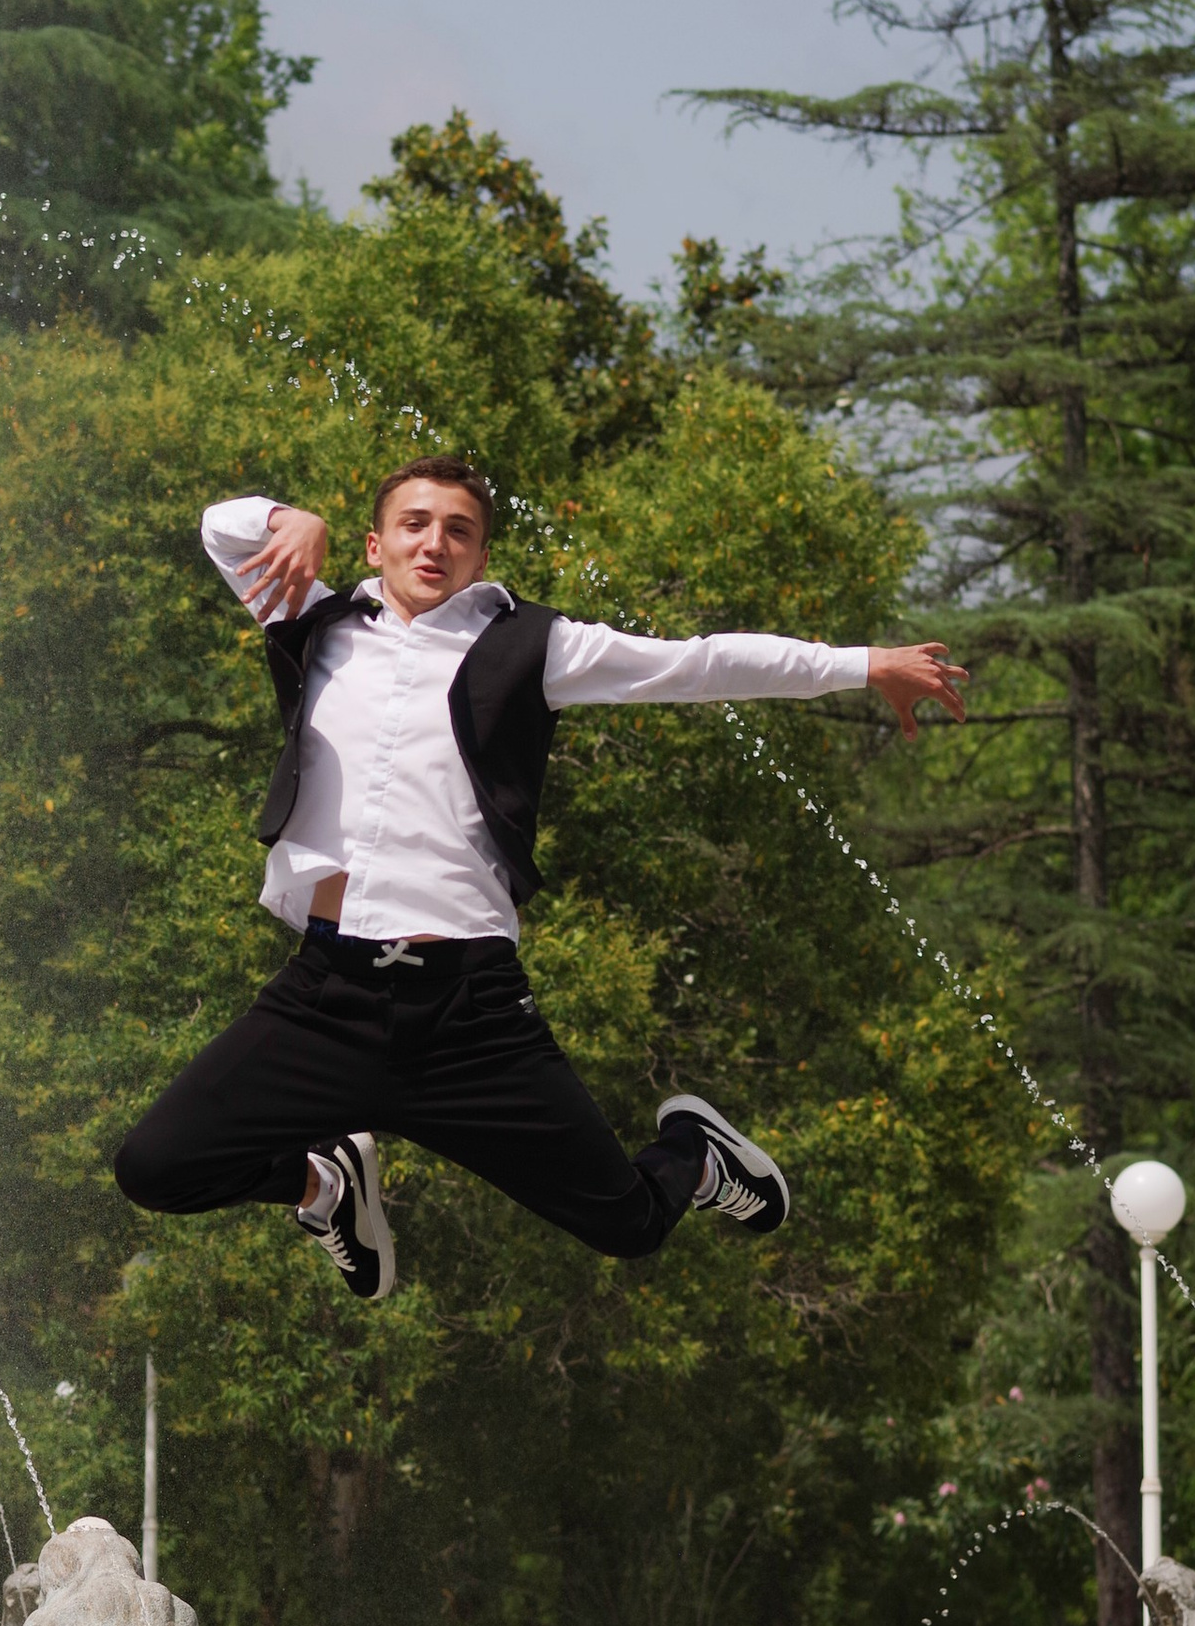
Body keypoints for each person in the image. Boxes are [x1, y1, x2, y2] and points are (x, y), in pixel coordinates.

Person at [112, 458, 967, 1298]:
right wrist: (284, 521)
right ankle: (326, 1189)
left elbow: (699, 663)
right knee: (155, 1168)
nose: (434, 543)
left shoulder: (533, 643)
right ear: (374, 545)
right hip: (327, 995)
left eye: (460, 531)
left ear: (481, 557)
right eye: (414, 524)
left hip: (468, 1014)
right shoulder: (310, 617)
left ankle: (697, 1157)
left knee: (627, 1226)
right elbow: (216, 528)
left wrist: (863, 663)